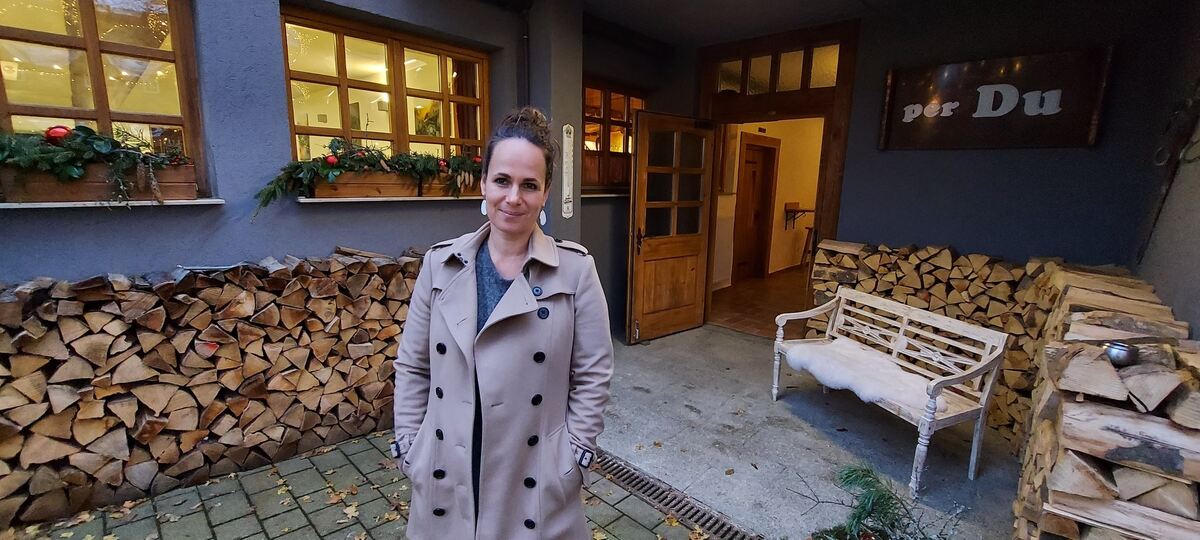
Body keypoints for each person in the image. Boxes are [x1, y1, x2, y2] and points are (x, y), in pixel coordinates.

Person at [391, 107, 614, 539]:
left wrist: (574, 457)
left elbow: (593, 374)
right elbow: (413, 366)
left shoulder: (575, 272)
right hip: (446, 469)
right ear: (483, 183)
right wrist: (410, 447)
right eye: (502, 181)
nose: (513, 197)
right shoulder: (440, 265)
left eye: (529, 185)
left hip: (534, 478)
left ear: (546, 193)